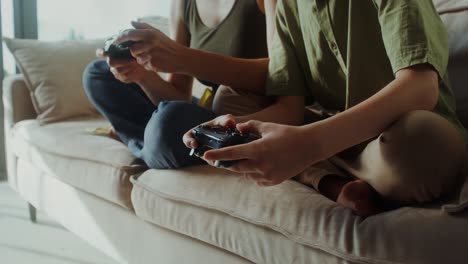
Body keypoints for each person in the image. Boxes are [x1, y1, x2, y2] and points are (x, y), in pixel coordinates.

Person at [175, 0, 467, 217]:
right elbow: (288, 110)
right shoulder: (288, 8)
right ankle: (333, 180)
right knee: (231, 100)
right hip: (339, 142)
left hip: (397, 139)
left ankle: (321, 175)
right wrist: (239, 126)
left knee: (423, 142)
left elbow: (420, 87)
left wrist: (308, 145)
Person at [83, 0, 277, 169]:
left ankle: (147, 144)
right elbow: (178, 98)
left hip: (240, 116)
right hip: (209, 114)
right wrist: (142, 75)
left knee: (170, 120)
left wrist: (183, 58)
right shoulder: (183, 2)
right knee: (98, 73)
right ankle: (153, 144)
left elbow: (282, 73)